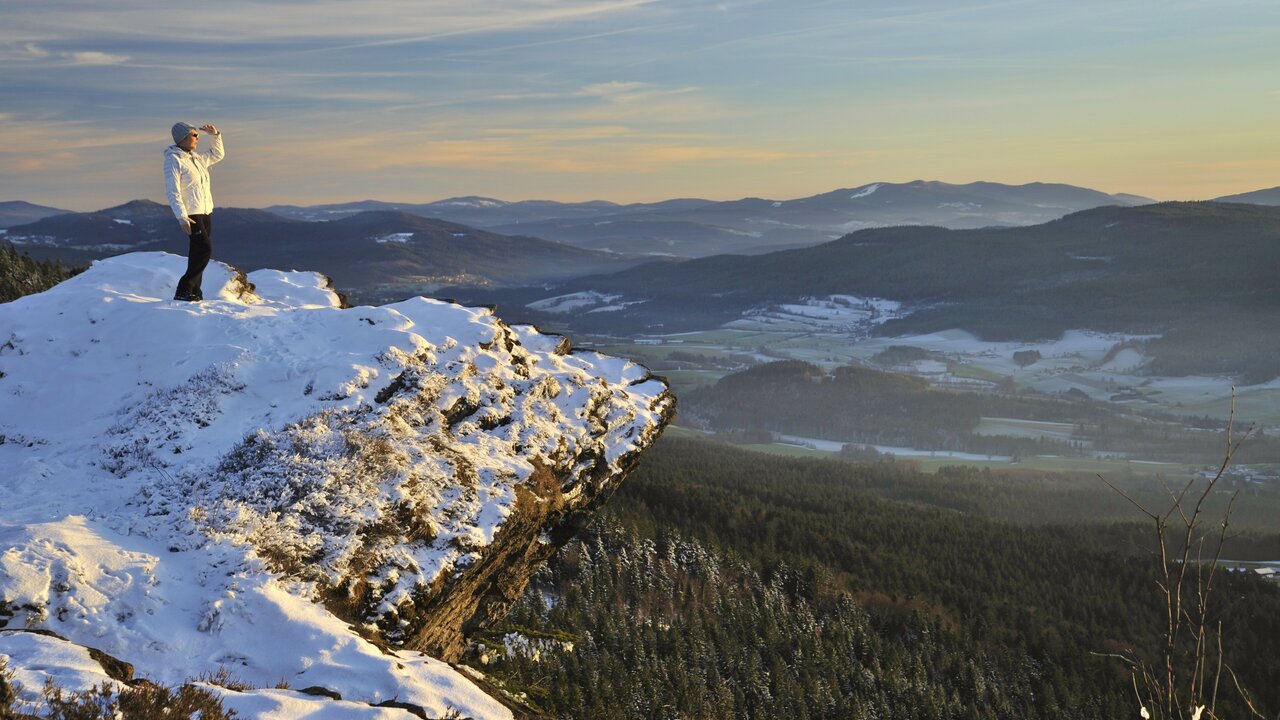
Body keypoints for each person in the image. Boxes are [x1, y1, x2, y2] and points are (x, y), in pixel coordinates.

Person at [164, 122, 224, 301]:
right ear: (182, 138)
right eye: (194, 135)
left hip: (205, 211)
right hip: (191, 213)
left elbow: (217, 154)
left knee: (197, 253)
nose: (198, 138)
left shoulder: (196, 158)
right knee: (205, 249)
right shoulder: (174, 159)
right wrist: (181, 216)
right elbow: (172, 190)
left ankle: (194, 292)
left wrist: (215, 136)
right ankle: (184, 289)